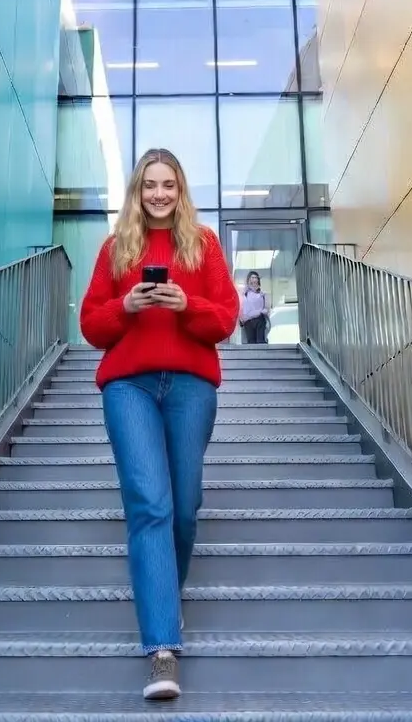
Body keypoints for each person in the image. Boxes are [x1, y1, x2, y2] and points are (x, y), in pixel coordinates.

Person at [79, 147, 240, 701]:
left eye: (168, 184)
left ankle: (163, 591)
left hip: (191, 387)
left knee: (186, 506)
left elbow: (224, 319)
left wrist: (183, 304)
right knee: (151, 503)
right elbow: (91, 327)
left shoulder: (205, 245)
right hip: (129, 386)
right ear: (137, 190)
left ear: (181, 188)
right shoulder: (115, 248)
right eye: (150, 184)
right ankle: (162, 650)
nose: (159, 194)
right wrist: (126, 305)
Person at [238, 271, 270, 344]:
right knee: (250, 343)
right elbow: (241, 307)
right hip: (248, 322)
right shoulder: (244, 293)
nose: (254, 280)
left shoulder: (263, 293)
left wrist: (262, 312)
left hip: (259, 319)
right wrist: (241, 318)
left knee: (260, 341)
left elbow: (267, 308)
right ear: (249, 280)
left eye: (256, 278)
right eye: (252, 278)